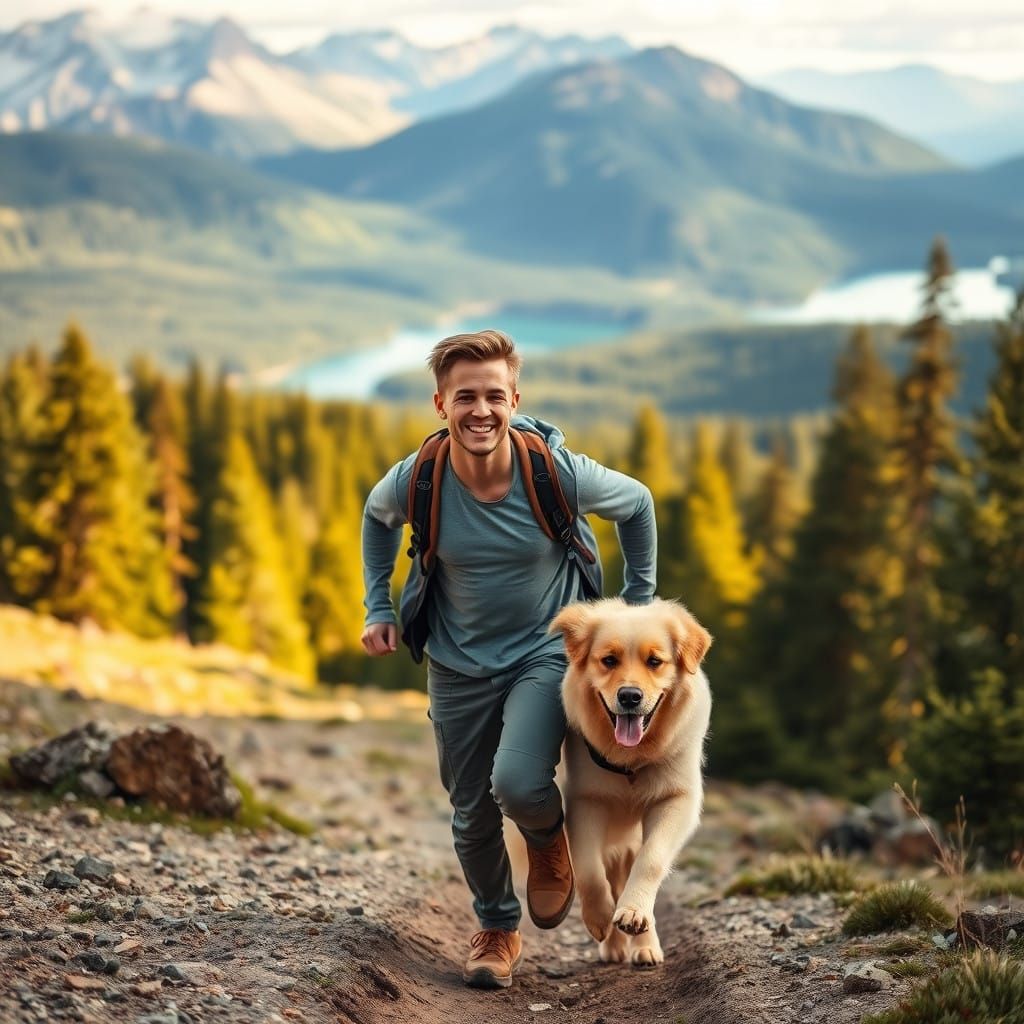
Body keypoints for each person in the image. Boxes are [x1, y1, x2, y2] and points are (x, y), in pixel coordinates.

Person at [360, 329, 656, 989]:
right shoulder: (420, 477)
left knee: (518, 781)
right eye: (466, 396)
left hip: (544, 653)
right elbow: (377, 518)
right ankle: (497, 927)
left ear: (515, 399)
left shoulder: (555, 473)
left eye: (495, 395)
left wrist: (637, 605)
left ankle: (548, 842)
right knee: (468, 810)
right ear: (441, 403)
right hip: (456, 660)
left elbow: (637, 505)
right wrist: (377, 607)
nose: (481, 411)